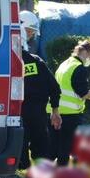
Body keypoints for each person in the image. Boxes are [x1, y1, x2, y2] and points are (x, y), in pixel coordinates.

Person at [48, 40, 90, 166]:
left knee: (53, 146)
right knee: (65, 147)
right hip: (69, 113)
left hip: (54, 110)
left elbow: (73, 90)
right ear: (87, 52)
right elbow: (83, 93)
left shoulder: (65, 64)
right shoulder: (79, 68)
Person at [18, 11, 62, 169]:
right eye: (30, 31)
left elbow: (54, 88)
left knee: (22, 139)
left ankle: (23, 165)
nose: (31, 36)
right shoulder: (37, 62)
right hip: (37, 111)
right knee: (40, 141)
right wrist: (55, 110)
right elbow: (55, 88)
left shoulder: (9, 62)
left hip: (19, 109)